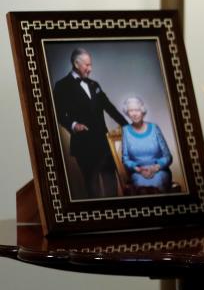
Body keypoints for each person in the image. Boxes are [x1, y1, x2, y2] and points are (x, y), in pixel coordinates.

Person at [52, 47, 127, 198]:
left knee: (111, 182)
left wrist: (127, 126)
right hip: (84, 144)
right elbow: (59, 114)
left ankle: (114, 215)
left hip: (104, 143)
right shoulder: (62, 85)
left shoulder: (94, 84)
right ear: (76, 63)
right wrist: (73, 125)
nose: (90, 69)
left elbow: (109, 107)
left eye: (91, 65)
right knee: (92, 186)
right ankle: (99, 218)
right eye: (87, 65)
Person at [120, 96, 173, 191]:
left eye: (137, 110)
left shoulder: (154, 128)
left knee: (158, 183)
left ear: (142, 111)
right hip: (138, 173)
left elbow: (168, 157)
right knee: (141, 188)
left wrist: (155, 168)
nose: (134, 114)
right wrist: (139, 170)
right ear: (127, 113)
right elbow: (125, 159)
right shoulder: (126, 131)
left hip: (159, 171)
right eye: (131, 110)